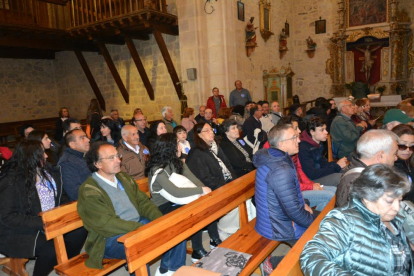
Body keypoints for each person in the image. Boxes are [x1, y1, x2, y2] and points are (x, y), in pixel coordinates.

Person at [77, 142, 180, 275]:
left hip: (137, 225)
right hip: (108, 238)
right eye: (111, 158)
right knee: (141, 245)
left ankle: (169, 270)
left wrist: (159, 220)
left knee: (173, 229)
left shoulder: (123, 178)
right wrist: (140, 228)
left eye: (117, 156)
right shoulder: (89, 190)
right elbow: (106, 224)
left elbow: (143, 202)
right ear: (97, 164)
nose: (118, 161)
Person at [301, 164, 413, 276]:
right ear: (367, 197)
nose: (397, 208)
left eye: (399, 200)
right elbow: (311, 256)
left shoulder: (393, 219)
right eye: (389, 201)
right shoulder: (344, 221)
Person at [0, 140, 86, 276]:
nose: (46, 156)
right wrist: (43, 223)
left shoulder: (48, 171)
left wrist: (63, 214)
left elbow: (61, 196)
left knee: (79, 231)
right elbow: (7, 217)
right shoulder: (11, 181)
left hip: (50, 222)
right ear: (29, 156)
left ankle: (66, 266)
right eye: (42, 154)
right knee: (51, 248)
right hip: (20, 230)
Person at [146, 133, 220, 263]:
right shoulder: (157, 169)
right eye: (177, 144)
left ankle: (214, 238)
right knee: (194, 210)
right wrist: (200, 190)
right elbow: (175, 192)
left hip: (178, 200)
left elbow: (194, 179)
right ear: (169, 148)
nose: (180, 147)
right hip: (163, 206)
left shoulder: (177, 162)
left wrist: (204, 191)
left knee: (204, 202)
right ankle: (197, 251)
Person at [254, 124, 315, 270]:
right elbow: (292, 210)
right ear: (281, 144)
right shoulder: (280, 169)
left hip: (276, 217)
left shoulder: (276, 157)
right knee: (318, 246)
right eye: (294, 138)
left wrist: (304, 203)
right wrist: (312, 222)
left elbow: (291, 195)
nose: (299, 140)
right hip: (277, 226)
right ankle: (274, 263)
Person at [335, 129, 398, 207]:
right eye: (394, 154)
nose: (396, 158)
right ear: (380, 156)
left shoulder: (364, 174)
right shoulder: (362, 184)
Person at [187, 123, 237, 191]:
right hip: (217, 189)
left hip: (229, 182)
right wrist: (226, 186)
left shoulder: (215, 147)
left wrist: (234, 179)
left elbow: (228, 164)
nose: (211, 132)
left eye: (211, 129)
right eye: (207, 130)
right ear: (199, 135)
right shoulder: (196, 154)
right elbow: (205, 179)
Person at [298, 117, 344, 186]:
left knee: (346, 171)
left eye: (325, 129)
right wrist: (336, 166)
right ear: (312, 132)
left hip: (318, 174)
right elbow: (312, 174)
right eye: (322, 130)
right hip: (311, 180)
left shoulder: (318, 143)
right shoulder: (303, 148)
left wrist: (336, 163)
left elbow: (322, 163)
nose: (326, 132)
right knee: (342, 178)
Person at [58, 129, 91, 201]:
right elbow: (75, 193)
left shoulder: (80, 157)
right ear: (72, 145)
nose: (88, 140)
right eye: (82, 138)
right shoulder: (67, 163)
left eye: (86, 137)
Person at [392, 124, 414, 202]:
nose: (408, 150)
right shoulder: (391, 169)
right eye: (402, 146)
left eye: (412, 146)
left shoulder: (408, 163)